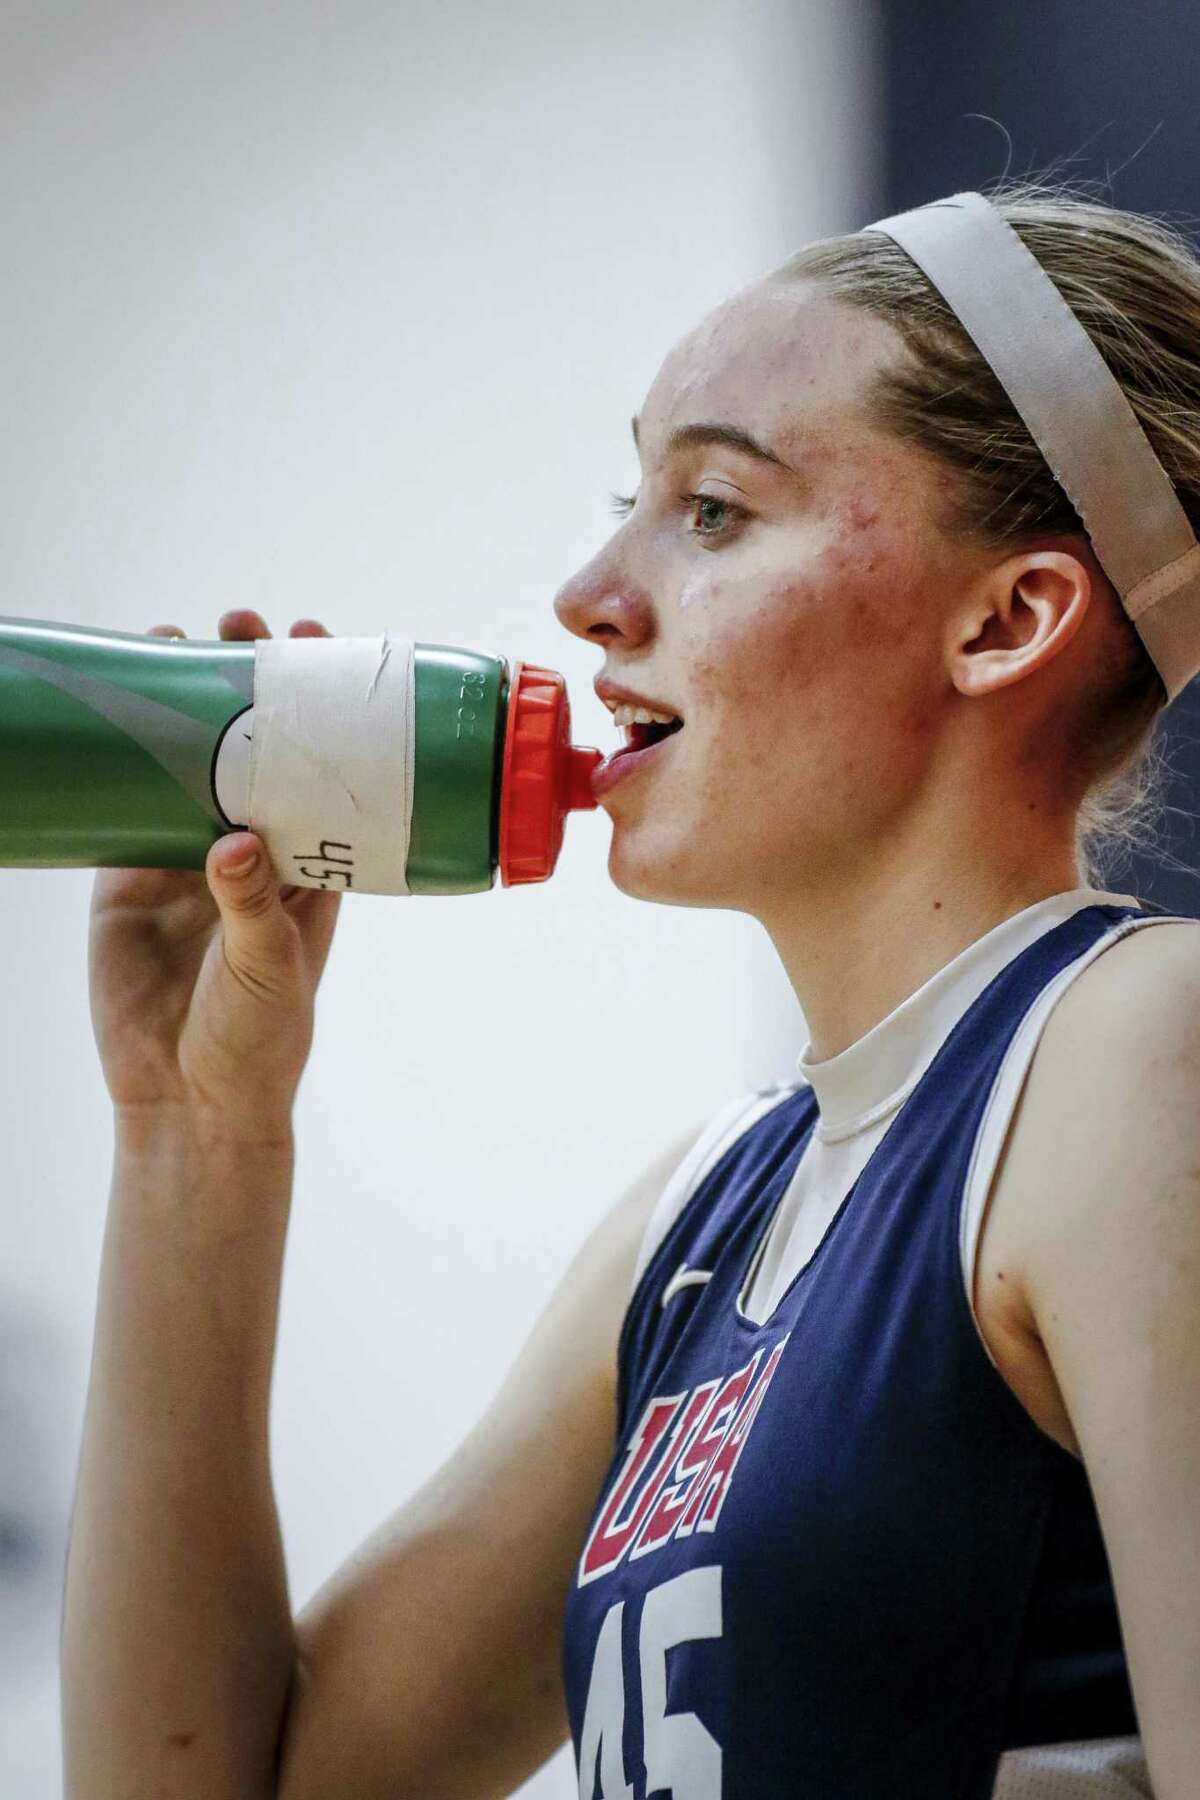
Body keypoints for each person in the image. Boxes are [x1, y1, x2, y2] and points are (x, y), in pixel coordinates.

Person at [60, 178, 1200, 1800]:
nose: (591, 592)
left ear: (1008, 621)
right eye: (633, 498)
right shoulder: (698, 1220)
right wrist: (194, 1140)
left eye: (714, 509)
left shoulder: (1136, 1052)